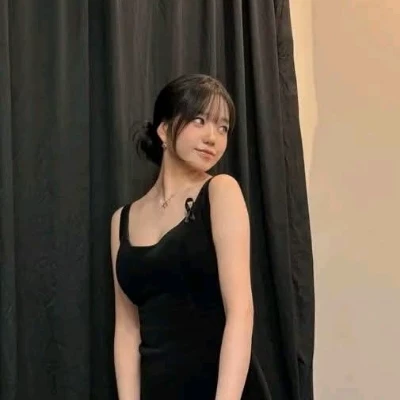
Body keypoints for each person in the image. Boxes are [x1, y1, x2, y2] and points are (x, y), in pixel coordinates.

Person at [110, 74, 264, 400]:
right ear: (164, 129)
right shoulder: (122, 220)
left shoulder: (221, 191)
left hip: (221, 388)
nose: (213, 137)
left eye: (223, 128)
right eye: (199, 120)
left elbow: (241, 312)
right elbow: (127, 328)